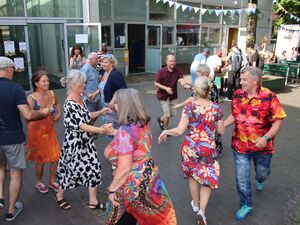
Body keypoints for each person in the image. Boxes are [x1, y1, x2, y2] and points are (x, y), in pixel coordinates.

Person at [105, 88, 177, 225]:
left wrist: (112, 190)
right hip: (149, 178)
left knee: (119, 220)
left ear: (125, 106)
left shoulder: (124, 132)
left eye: (117, 103)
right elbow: (136, 144)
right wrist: (115, 133)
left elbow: (124, 168)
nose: (114, 106)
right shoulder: (142, 124)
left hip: (130, 186)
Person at [159, 76, 224, 225]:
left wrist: (166, 132)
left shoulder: (189, 107)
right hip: (208, 147)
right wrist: (217, 124)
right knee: (207, 178)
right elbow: (221, 131)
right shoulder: (216, 108)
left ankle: (195, 204)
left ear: (195, 90)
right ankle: (202, 211)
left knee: (193, 176)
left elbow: (180, 130)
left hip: (191, 148)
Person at [223, 66, 287, 221]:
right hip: (241, 146)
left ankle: (260, 179)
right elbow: (235, 114)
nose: (240, 82)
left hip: (263, 147)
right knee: (242, 178)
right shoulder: (237, 95)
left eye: (244, 79)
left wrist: (265, 138)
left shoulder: (269, 96)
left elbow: (278, 121)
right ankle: (246, 203)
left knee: (263, 173)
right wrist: (223, 125)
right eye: (241, 79)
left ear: (255, 80)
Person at [0, 57, 49, 221]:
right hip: (12, 138)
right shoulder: (15, 88)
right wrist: (42, 113)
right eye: (12, 69)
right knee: (14, 173)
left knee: (0, 169)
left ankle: (0, 197)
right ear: (8, 69)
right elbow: (28, 114)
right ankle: (11, 210)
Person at [56, 69, 113, 210]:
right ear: (74, 84)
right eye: (82, 83)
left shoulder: (80, 98)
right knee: (70, 171)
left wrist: (101, 111)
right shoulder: (70, 104)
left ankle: (93, 202)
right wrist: (102, 130)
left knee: (93, 168)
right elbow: (81, 125)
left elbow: (86, 116)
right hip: (74, 144)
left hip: (86, 142)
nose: (85, 85)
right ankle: (59, 195)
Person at [27, 70, 61, 194]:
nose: (47, 83)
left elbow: (57, 104)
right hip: (36, 133)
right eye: (43, 81)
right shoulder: (31, 98)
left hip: (50, 131)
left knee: (56, 157)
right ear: (36, 83)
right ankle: (39, 182)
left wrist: (58, 114)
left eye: (47, 80)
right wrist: (42, 113)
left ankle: (52, 181)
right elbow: (28, 117)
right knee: (40, 160)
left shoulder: (52, 94)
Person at [93, 54, 127, 137]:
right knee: (109, 129)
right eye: (102, 62)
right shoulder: (105, 72)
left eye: (106, 62)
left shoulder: (115, 75)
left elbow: (124, 90)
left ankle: (119, 146)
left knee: (114, 130)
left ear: (111, 63)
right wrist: (95, 93)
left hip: (113, 107)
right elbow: (103, 86)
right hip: (105, 105)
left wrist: (113, 100)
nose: (103, 64)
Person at [154, 54, 190, 130]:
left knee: (172, 114)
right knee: (167, 115)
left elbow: (181, 79)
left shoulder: (177, 70)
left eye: (174, 61)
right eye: (170, 61)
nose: (172, 63)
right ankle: (165, 129)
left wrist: (185, 85)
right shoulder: (161, 71)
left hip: (173, 96)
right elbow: (156, 83)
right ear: (166, 62)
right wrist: (166, 88)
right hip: (163, 96)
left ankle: (161, 119)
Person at [80, 52, 102, 116]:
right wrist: (87, 94)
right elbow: (79, 82)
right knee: (89, 117)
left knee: (101, 112)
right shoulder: (86, 68)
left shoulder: (93, 67)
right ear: (90, 59)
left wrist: (97, 78)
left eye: (98, 59)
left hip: (96, 97)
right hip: (89, 99)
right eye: (96, 59)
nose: (98, 60)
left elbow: (91, 79)